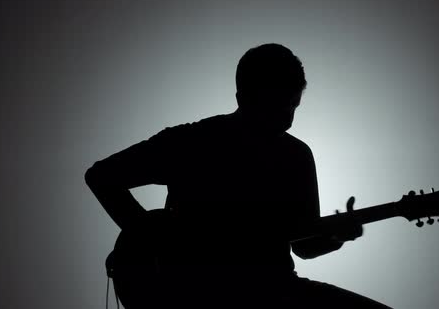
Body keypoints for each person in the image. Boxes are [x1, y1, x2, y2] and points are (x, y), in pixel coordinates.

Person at [85, 43, 392, 308]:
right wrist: (152, 240)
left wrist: (338, 234)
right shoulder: (194, 140)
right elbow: (102, 176)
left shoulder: (295, 155)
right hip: (200, 295)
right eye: (282, 106)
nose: (288, 120)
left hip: (276, 290)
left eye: (294, 107)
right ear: (246, 96)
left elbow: (303, 245)